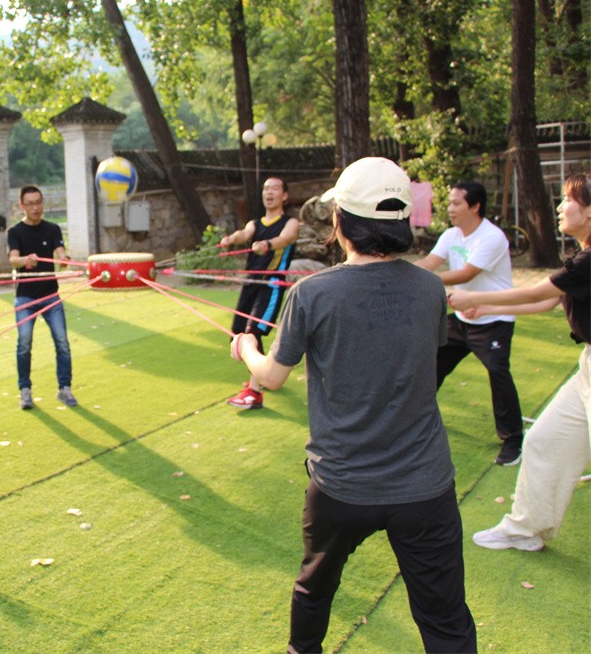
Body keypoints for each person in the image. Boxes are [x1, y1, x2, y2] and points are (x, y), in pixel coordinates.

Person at [231, 158, 476, 653]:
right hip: (425, 487)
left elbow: (271, 377)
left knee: (314, 590)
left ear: (340, 220)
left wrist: (247, 347)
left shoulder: (312, 293)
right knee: (445, 619)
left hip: (342, 485)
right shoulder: (430, 288)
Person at [449, 172, 590, 553]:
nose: (559, 207)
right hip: (587, 369)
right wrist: (483, 308)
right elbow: (549, 302)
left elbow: (536, 292)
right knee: (543, 441)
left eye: (568, 200)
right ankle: (525, 529)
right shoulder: (581, 258)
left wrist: (474, 299)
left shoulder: (589, 261)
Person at [416, 181, 524, 466]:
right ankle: (416, 419)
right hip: (463, 318)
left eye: (456, 203)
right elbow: (430, 261)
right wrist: (403, 272)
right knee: (432, 362)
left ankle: (513, 439)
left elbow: (466, 273)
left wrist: (420, 280)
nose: (450, 208)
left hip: (494, 318)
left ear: (475, 206)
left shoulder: (492, 237)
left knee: (498, 372)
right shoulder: (451, 235)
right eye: (449, 202)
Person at [217, 177, 299, 409]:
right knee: (239, 333)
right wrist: (230, 239)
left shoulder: (290, 222)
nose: (269, 192)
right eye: (266, 189)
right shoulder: (255, 223)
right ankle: (263, 375)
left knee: (252, 332)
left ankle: (254, 392)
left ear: (284, 195)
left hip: (271, 284)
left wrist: (267, 245)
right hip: (250, 283)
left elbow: (286, 238)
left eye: (274, 188)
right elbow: (244, 234)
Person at [7, 184, 77, 410]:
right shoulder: (15, 232)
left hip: (51, 296)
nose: (35, 208)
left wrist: (64, 259)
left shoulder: (53, 229)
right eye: (30, 204)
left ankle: (64, 388)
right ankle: (25, 391)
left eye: (38, 203)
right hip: (25, 298)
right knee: (24, 343)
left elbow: (61, 252)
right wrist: (26, 259)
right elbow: (13, 260)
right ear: (22, 205)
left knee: (62, 342)